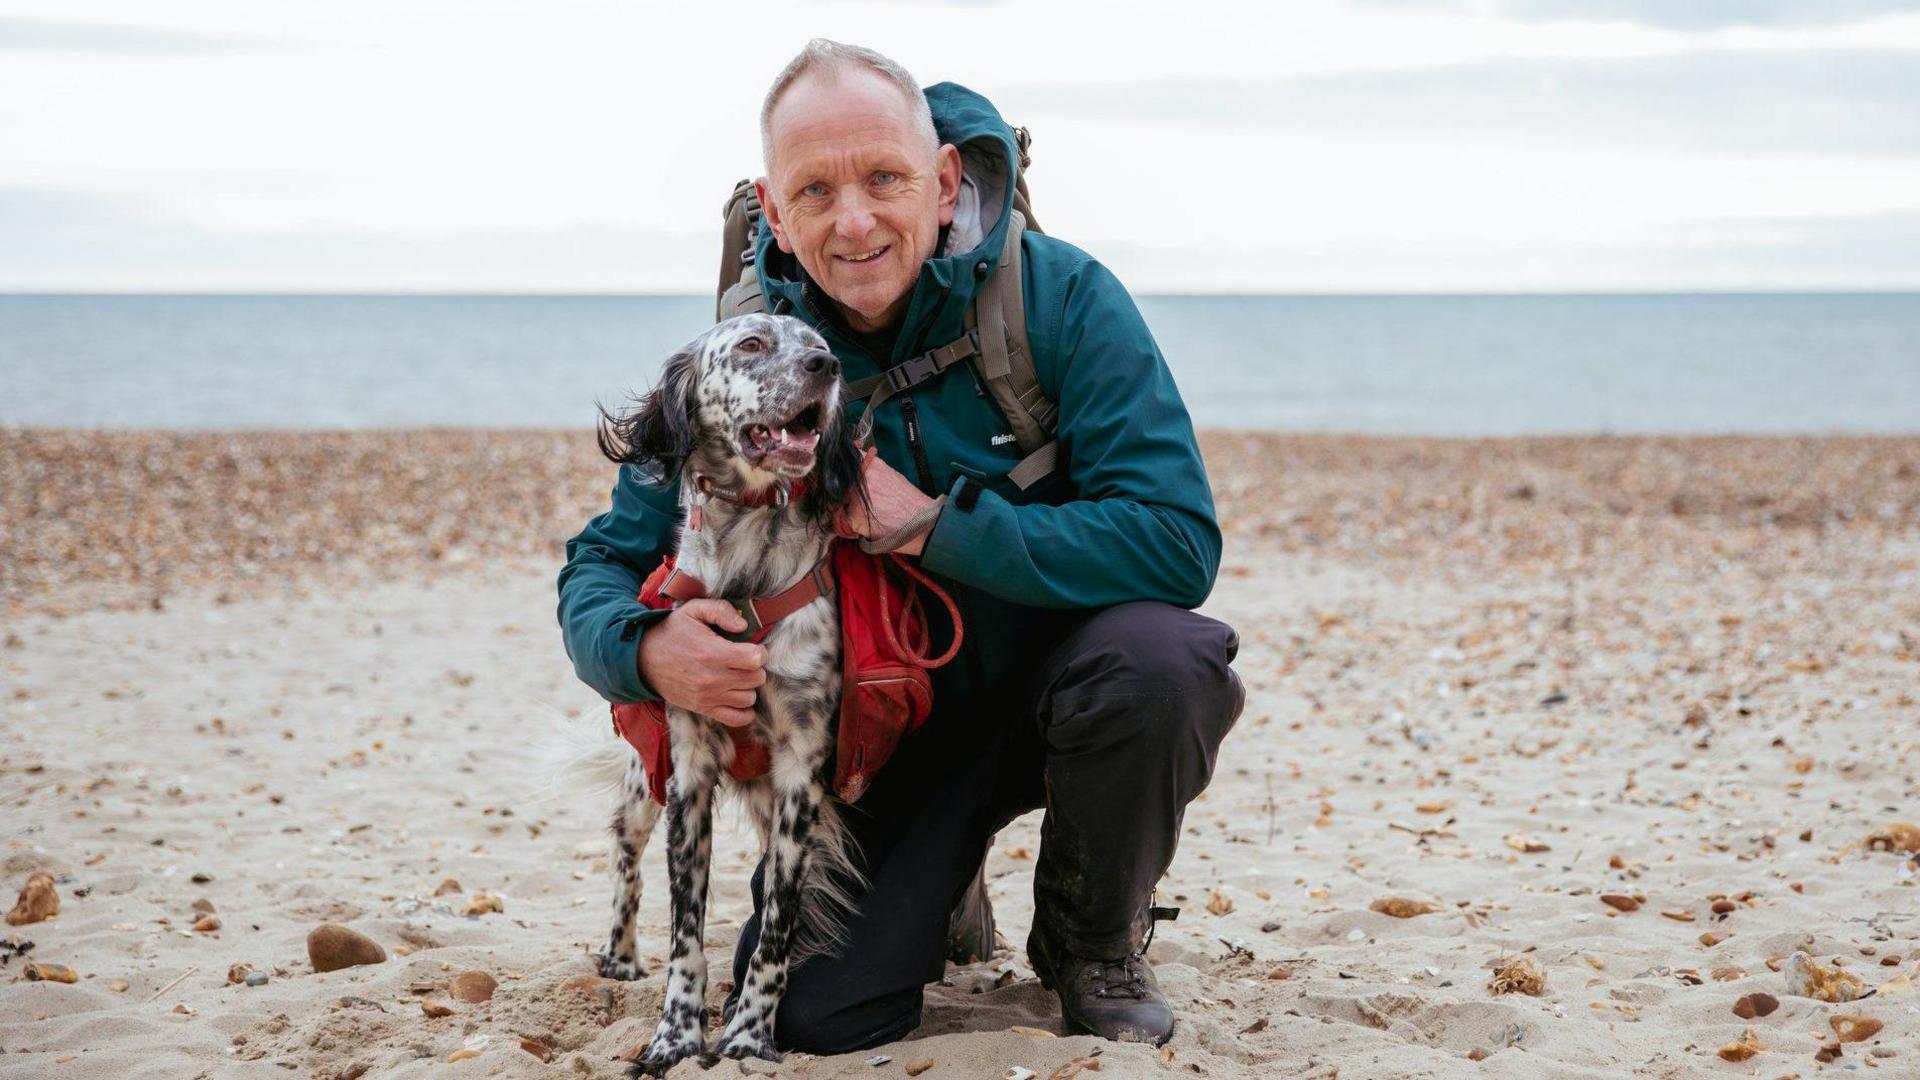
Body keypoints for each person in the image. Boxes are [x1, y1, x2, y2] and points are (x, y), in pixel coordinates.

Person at [558, 39, 1242, 1052]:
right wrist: (648, 650)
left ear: (944, 178)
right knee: (813, 1018)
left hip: (1078, 687)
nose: (856, 219)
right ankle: (946, 893)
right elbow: (599, 569)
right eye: (816, 191)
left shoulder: (1060, 298)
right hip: (885, 742)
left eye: (884, 177)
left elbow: (1177, 543)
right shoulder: (745, 362)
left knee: (1165, 662)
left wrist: (930, 525)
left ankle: (1092, 939)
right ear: (774, 211)